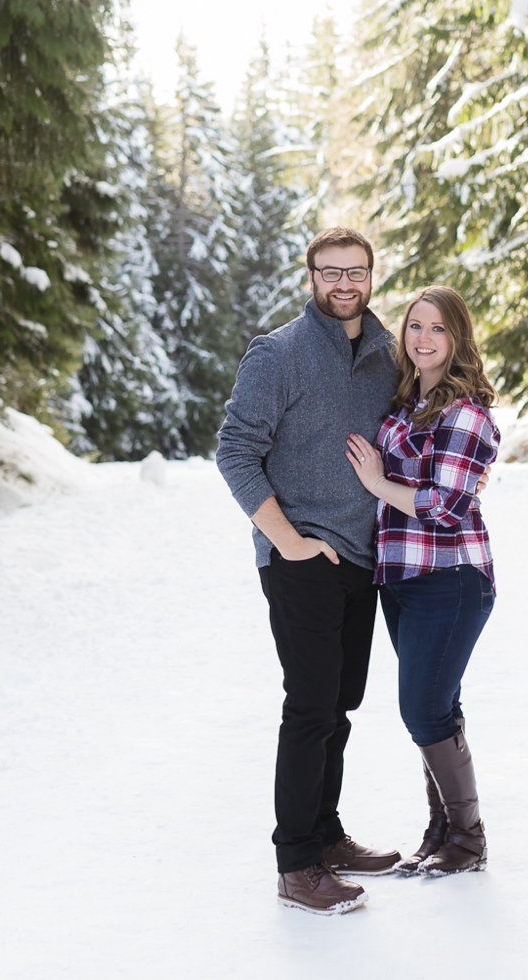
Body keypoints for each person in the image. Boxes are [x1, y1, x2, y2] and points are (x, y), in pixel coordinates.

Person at [215, 227, 404, 915]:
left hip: (361, 555)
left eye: (355, 270)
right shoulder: (278, 354)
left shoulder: (387, 355)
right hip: (300, 555)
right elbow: (235, 453)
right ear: (311, 278)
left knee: (341, 703)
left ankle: (327, 835)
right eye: (331, 271)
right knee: (310, 704)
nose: (344, 283)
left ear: (371, 276)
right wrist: (286, 540)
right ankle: (296, 862)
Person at [343, 285, 500, 877]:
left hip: (451, 577)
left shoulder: (466, 413)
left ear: (457, 338)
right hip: (401, 575)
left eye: (437, 329)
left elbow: (448, 506)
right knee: (437, 704)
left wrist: (381, 486)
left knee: (424, 709)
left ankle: (469, 838)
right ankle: (441, 831)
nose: (423, 339)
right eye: (415, 326)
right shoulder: (407, 404)